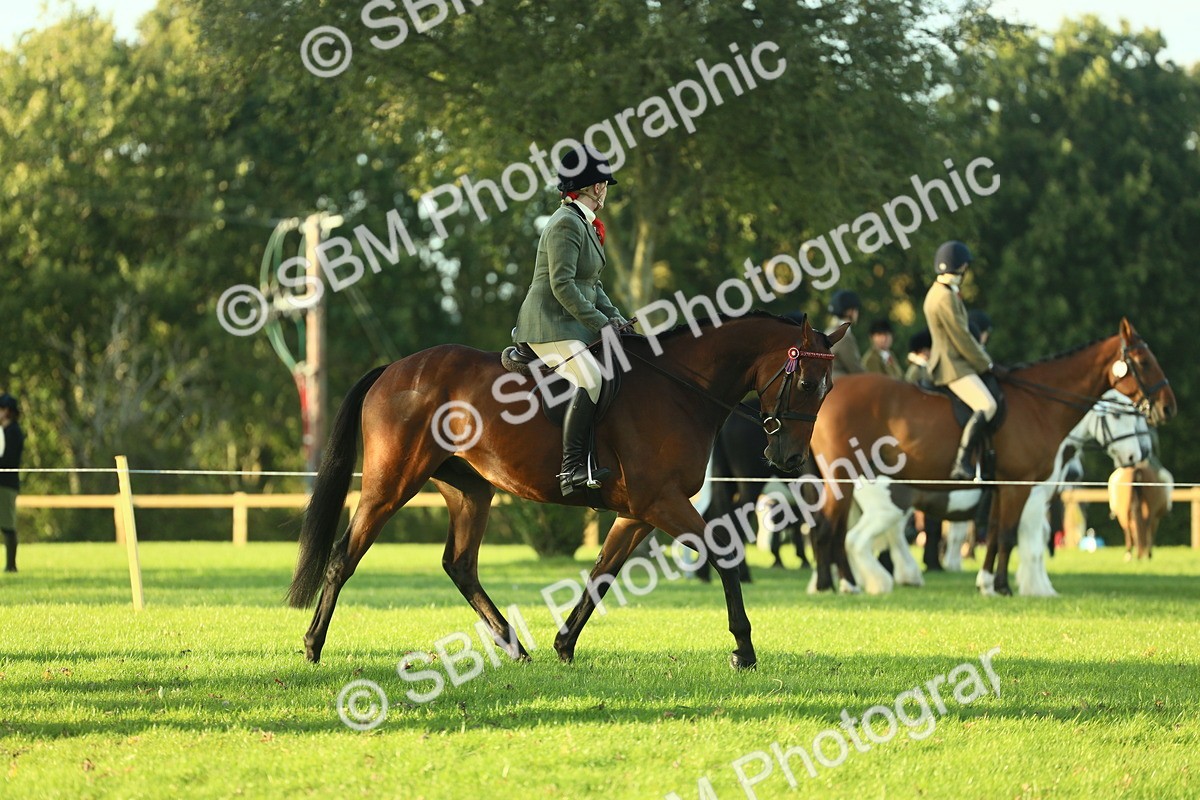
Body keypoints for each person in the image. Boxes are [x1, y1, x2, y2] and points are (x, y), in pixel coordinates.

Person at [512, 146, 627, 497]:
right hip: (549, 323)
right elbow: (561, 285)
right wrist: (599, 324)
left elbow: (591, 284)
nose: (605, 189)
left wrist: (616, 318)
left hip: (569, 322)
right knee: (590, 378)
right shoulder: (565, 224)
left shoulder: (583, 224)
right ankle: (570, 469)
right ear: (593, 187)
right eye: (603, 183)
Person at [923, 241, 1005, 480]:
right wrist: (986, 364)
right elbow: (963, 338)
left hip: (955, 361)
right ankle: (961, 461)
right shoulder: (945, 297)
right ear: (959, 267)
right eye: (965, 265)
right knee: (988, 405)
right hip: (952, 365)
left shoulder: (940, 291)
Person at [0, 393, 24, 573]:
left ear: (7, 411)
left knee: (7, 524)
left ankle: (11, 565)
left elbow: (7, 459)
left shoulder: (13, 432)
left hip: (6, 484)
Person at [826, 289, 864, 378]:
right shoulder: (844, 336)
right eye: (856, 309)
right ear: (849, 311)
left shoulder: (828, 331)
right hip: (840, 383)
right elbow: (855, 368)